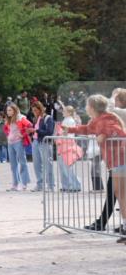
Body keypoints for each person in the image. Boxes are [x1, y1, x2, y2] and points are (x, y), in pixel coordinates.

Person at [66, 94, 126, 235]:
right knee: (116, 194)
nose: (86, 107)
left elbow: (120, 132)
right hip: (115, 162)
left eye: (87, 105)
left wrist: (104, 134)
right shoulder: (97, 120)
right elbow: (87, 129)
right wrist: (69, 130)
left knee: (119, 194)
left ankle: (115, 224)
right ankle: (113, 224)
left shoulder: (107, 118)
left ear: (92, 107)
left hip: (120, 160)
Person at [28, 100, 55, 192]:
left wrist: (36, 131)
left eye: (36, 110)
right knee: (36, 165)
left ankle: (51, 185)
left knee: (47, 164)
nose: (34, 112)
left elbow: (49, 132)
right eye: (33, 110)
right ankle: (40, 184)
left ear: (40, 109)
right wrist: (31, 132)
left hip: (44, 142)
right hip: (35, 142)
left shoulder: (48, 118)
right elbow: (35, 130)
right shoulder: (36, 119)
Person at [4, 104, 32, 192]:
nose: (8, 112)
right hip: (10, 143)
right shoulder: (8, 119)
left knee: (22, 162)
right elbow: (6, 129)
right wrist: (8, 135)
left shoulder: (21, 118)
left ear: (15, 111)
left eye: (10, 110)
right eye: (7, 110)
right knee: (13, 164)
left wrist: (23, 134)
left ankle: (24, 183)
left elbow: (30, 125)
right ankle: (15, 184)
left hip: (18, 142)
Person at [55, 105, 82, 192]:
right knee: (64, 167)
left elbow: (66, 132)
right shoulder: (67, 120)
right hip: (64, 144)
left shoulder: (69, 120)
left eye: (65, 111)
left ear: (69, 112)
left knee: (67, 166)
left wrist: (59, 132)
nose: (63, 112)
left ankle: (75, 185)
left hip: (67, 144)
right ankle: (68, 185)